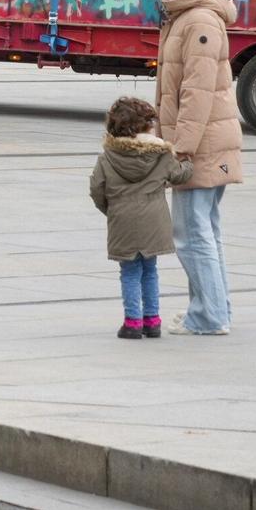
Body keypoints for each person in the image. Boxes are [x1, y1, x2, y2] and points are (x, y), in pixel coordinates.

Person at [152, 0, 242, 336]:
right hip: (209, 141)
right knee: (207, 231)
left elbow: (197, 90)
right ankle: (213, 308)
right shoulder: (183, 14)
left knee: (191, 236)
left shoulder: (199, 20)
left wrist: (181, 147)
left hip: (201, 144)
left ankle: (208, 316)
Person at [92, 95, 191, 340]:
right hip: (154, 221)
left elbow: (96, 190)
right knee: (150, 270)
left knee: (129, 272)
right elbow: (179, 175)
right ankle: (152, 320)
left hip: (123, 220)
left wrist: (112, 209)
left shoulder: (107, 158)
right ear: (148, 126)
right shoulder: (161, 155)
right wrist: (189, 162)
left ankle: (132, 322)